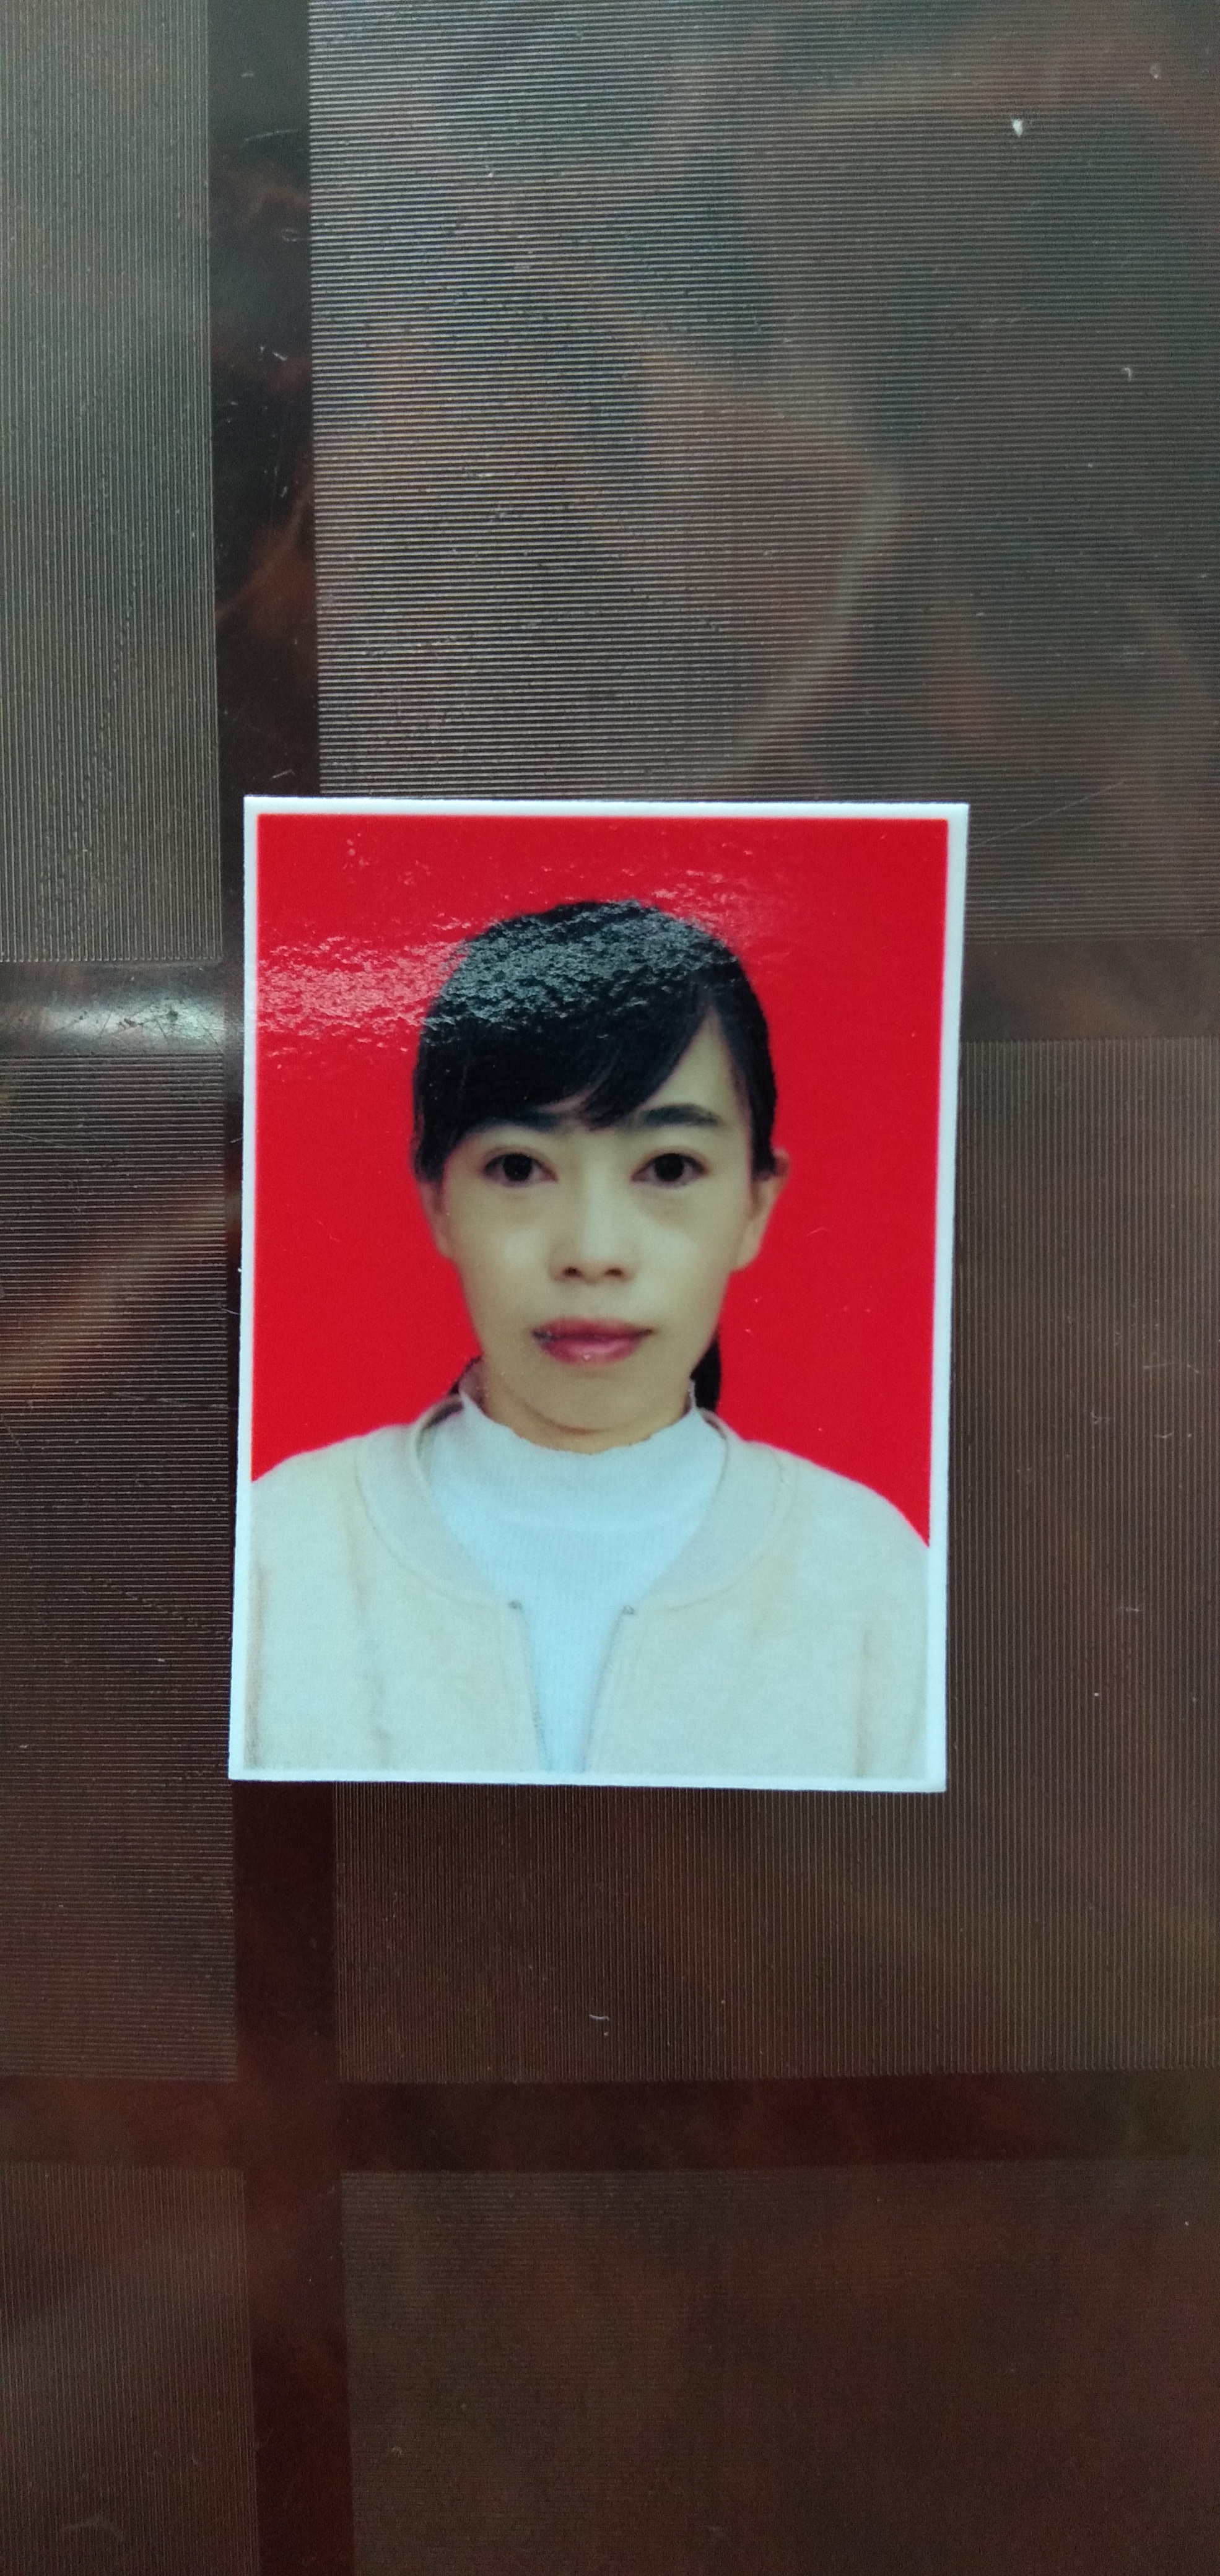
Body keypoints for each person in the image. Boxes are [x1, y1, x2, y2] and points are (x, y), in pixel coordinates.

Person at [237, 899, 929, 1783]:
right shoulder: (283, 1549)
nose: (593, 1253)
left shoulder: (871, 1574)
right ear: (437, 1199)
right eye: (519, 1167)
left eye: (669, 1168)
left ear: (756, 1203)